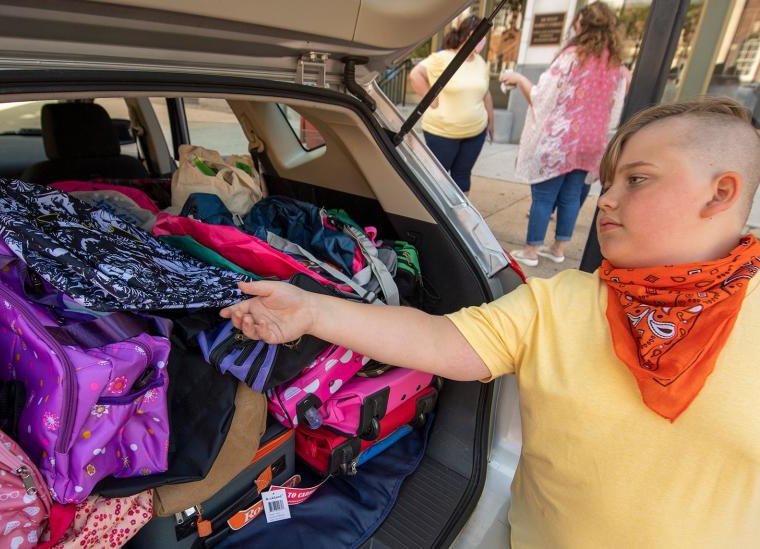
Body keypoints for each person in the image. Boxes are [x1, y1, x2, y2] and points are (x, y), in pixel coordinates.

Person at [219, 97, 760, 548]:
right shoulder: (555, 304)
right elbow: (435, 339)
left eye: (638, 180)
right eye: (609, 181)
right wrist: (314, 309)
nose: (609, 199)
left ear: (721, 192)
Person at [500, 2, 629, 267]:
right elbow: (614, 114)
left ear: (581, 23)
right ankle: (558, 249)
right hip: (591, 143)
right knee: (571, 197)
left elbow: (542, 98)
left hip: (560, 141)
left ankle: (531, 251)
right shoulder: (615, 65)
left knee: (544, 197)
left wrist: (519, 79)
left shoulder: (573, 55)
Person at [409, 15, 494, 196]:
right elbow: (415, 75)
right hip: (442, 133)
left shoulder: (480, 63)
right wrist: (431, 101)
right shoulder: (443, 58)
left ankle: (458, 219)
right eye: (480, 35)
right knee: (437, 180)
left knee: (462, 176)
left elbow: (485, 93)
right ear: (467, 34)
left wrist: (491, 123)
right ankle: (436, 218)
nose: (483, 41)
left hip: (475, 132)